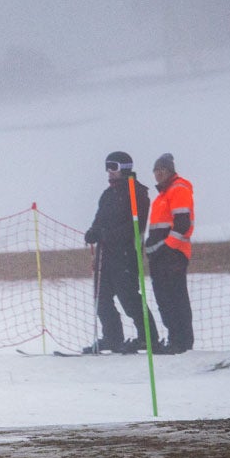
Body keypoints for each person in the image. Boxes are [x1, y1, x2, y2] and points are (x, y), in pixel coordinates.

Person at [83, 151, 160, 354]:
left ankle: (148, 337)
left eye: (113, 167)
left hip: (125, 255)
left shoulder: (136, 193)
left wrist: (107, 235)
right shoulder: (108, 194)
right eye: (107, 166)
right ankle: (112, 337)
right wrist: (93, 232)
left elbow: (135, 226)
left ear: (124, 168)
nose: (109, 171)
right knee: (101, 297)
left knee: (129, 298)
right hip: (105, 256)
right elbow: (99, 220)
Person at [145, 152, 195, 354]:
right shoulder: (162, 195)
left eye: (161, 170)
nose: (157, 174)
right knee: (164, 298)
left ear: (169, 171)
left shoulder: (178, 189)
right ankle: (174, 337)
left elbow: (183, 224)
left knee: (175, 297)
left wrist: (167, 247)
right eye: (155, 171)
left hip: (173, 255)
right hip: (161, 255)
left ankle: (181, 341)